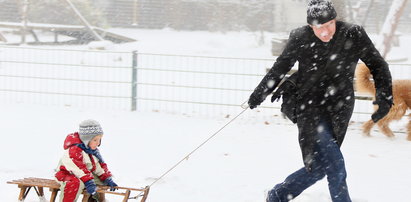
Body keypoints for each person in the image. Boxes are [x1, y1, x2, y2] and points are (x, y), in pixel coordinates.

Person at [247, 0, 393, 201]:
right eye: (319, 28)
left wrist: (384, 97)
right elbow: (280, 67)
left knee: (319, 166)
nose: (325, 32)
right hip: (310, 107)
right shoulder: (300, 37)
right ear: (310, 26)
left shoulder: (353, 34)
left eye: (329, 25)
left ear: (335, 20)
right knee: (335, 165)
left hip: (340, 107)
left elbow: (378, 65)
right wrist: (259, 94)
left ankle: (278, 195)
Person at [55, 119, 118, 202]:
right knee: (75, 183)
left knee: (100, 181)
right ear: (86, 140)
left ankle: (95, 199)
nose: (98, 143)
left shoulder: (92, 151)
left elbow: (98, 166)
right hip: (66, 173)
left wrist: (106, 178)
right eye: (95, 140)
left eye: (99, 140)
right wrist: (89, 181)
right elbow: (78, 168)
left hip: (84, 174)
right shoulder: (74, 150)